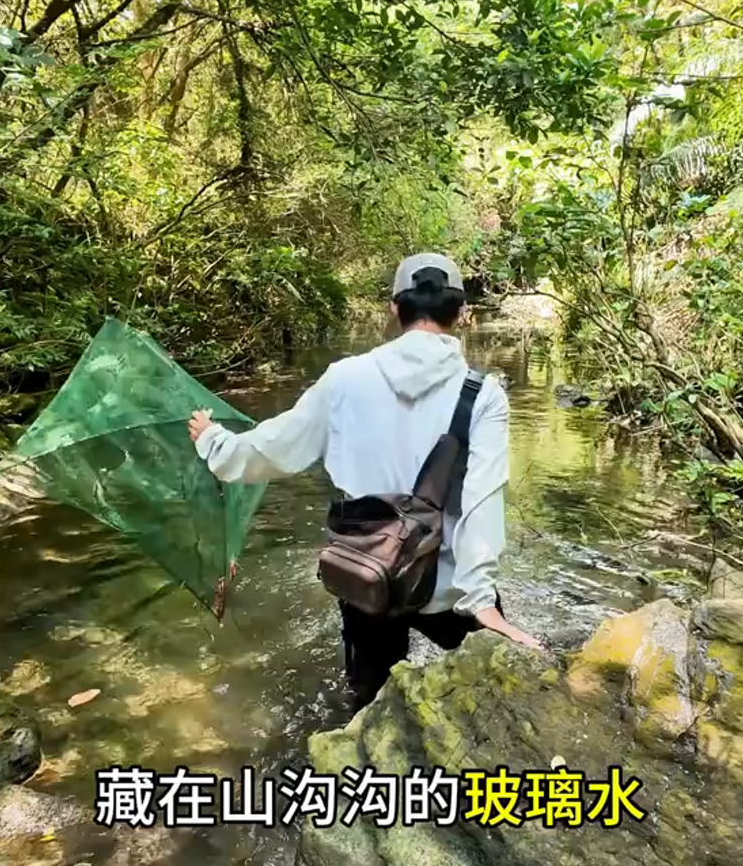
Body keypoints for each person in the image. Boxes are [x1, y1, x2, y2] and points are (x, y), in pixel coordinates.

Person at [188, 251, 542, 712]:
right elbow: (482, 496)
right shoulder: (482, 393)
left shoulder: (344, 380)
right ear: (461, 313)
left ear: (394, 309)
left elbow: (271, 449)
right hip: (449, 585)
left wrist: (213, 441)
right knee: (492, 700)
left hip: (366, 575)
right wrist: (481, 600)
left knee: (368, 705)